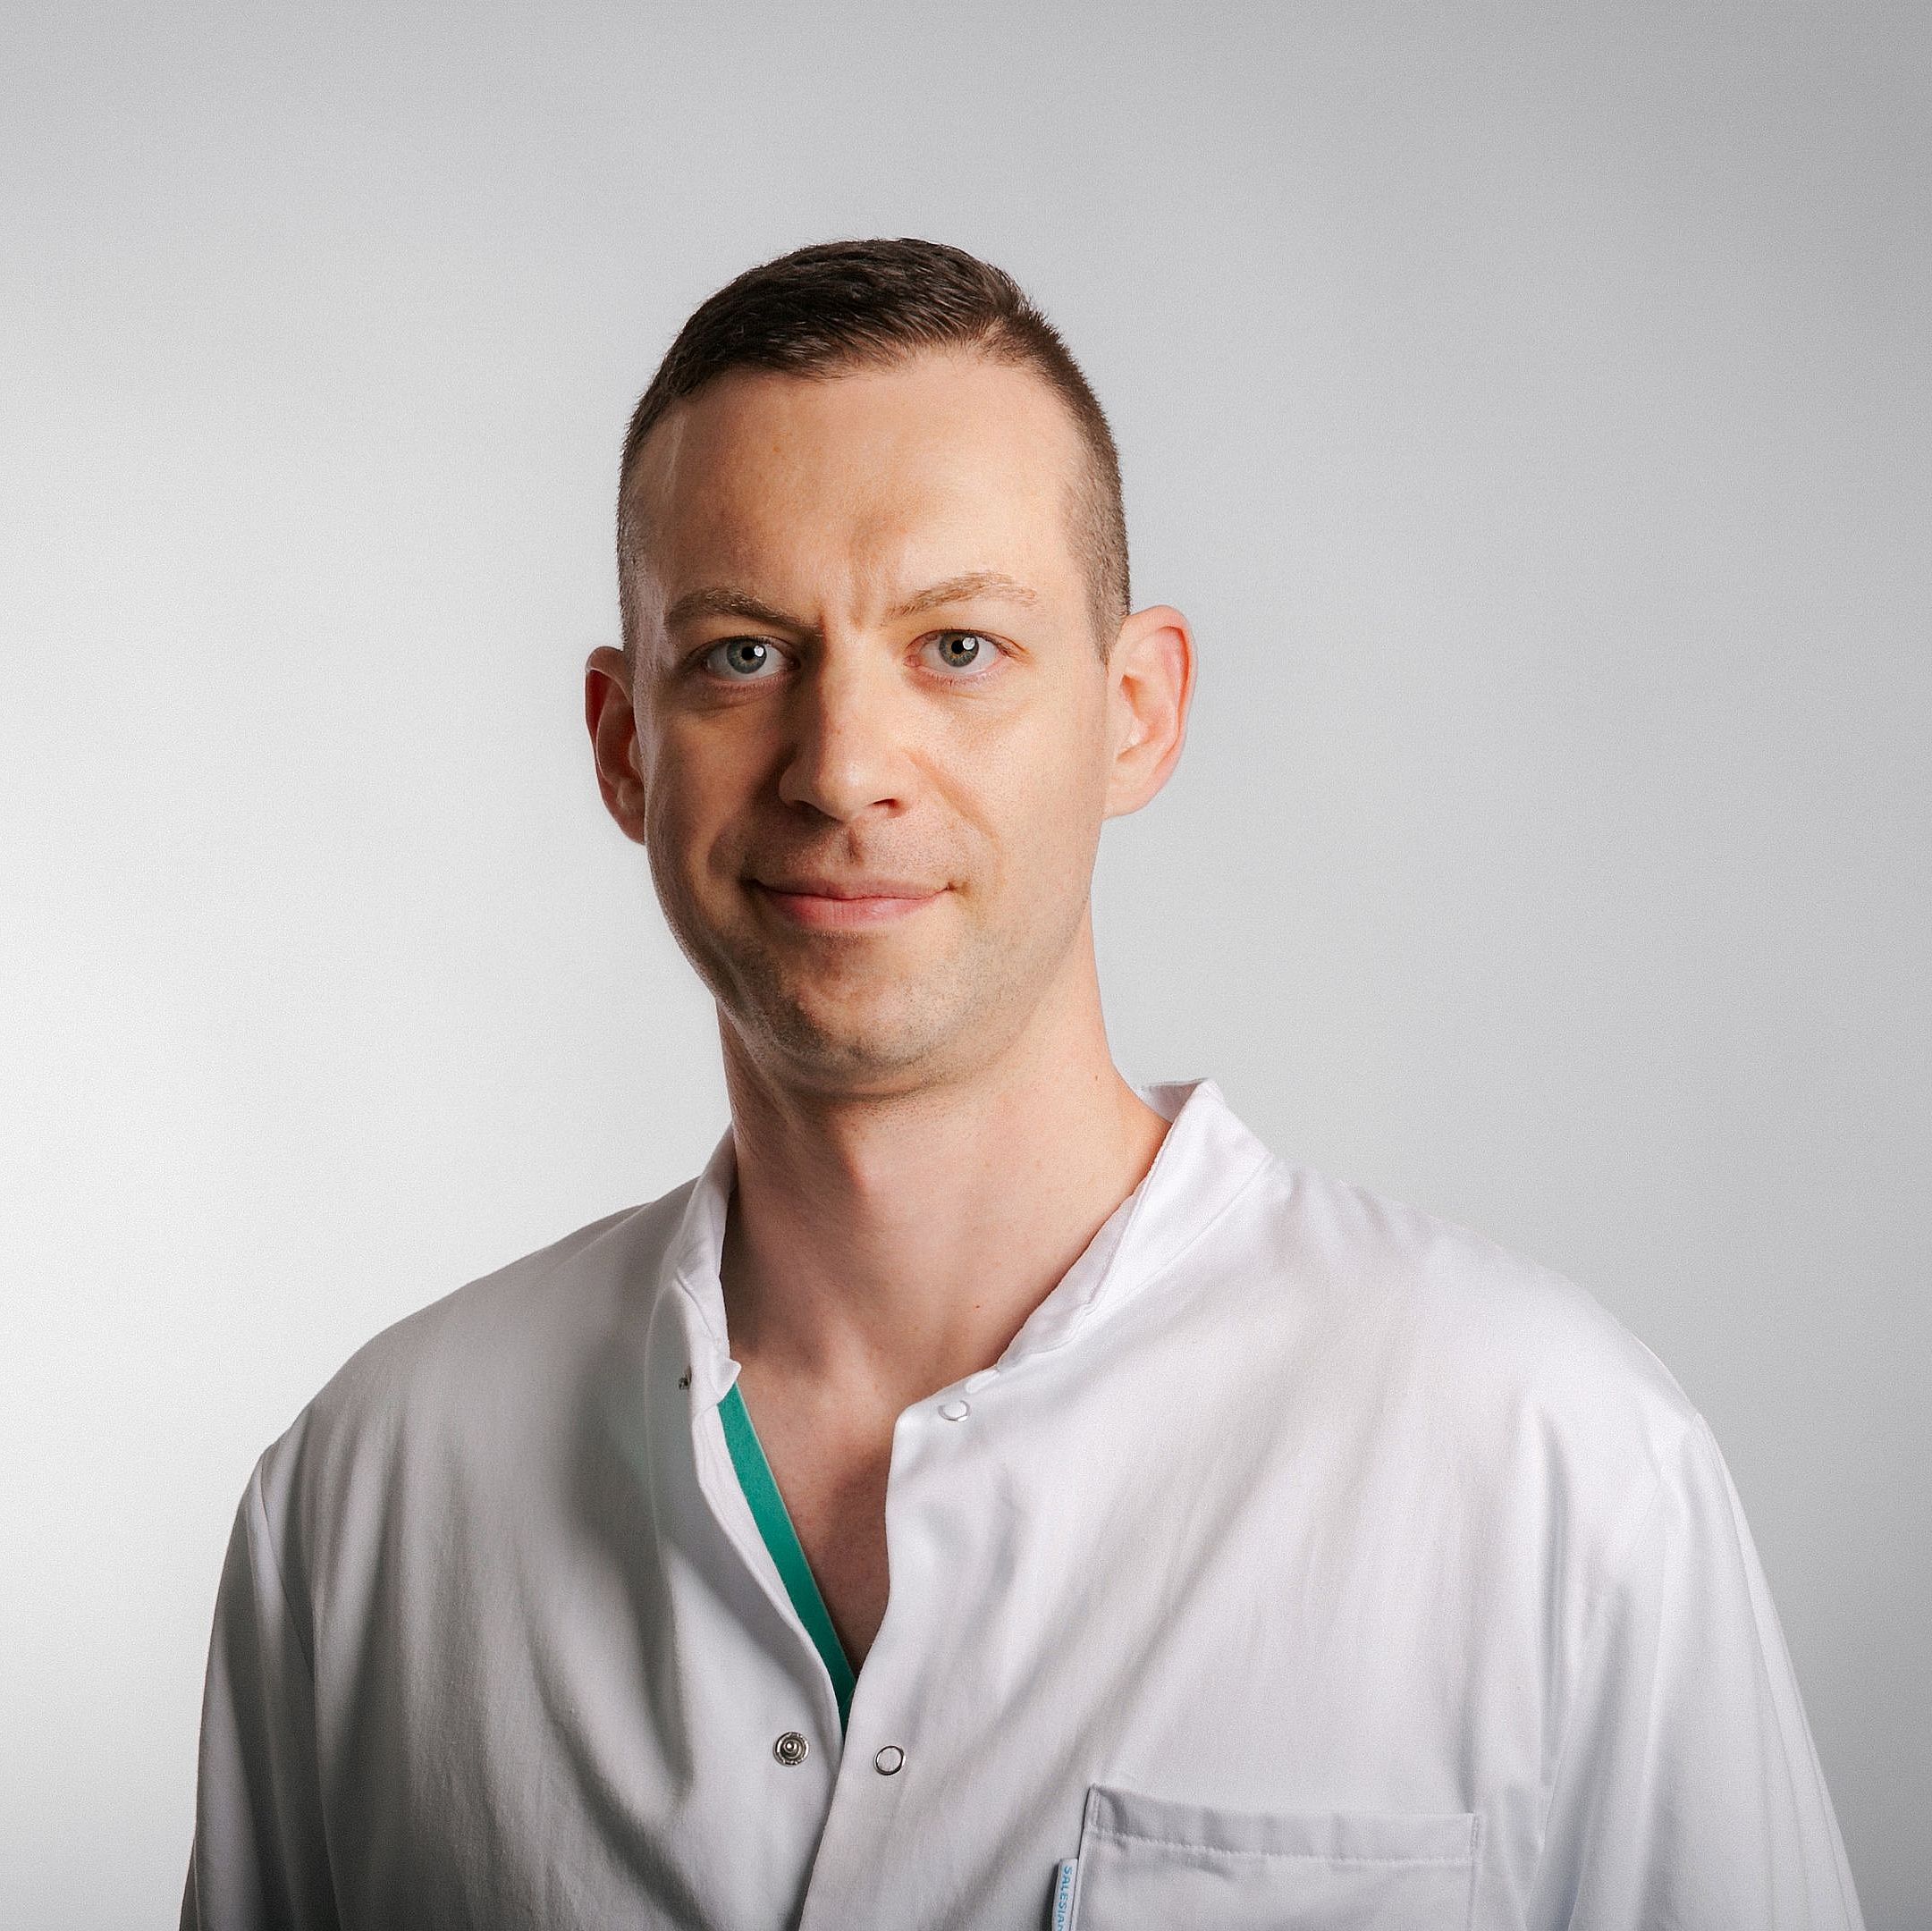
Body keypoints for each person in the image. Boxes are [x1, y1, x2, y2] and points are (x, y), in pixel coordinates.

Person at [181, 239, 1864, 1930]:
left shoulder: (1547, 1462)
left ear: (1135, 712)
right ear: (626, 745)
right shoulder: (374, 1494)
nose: (845, 769)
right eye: (744, 655)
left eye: (959, 647)